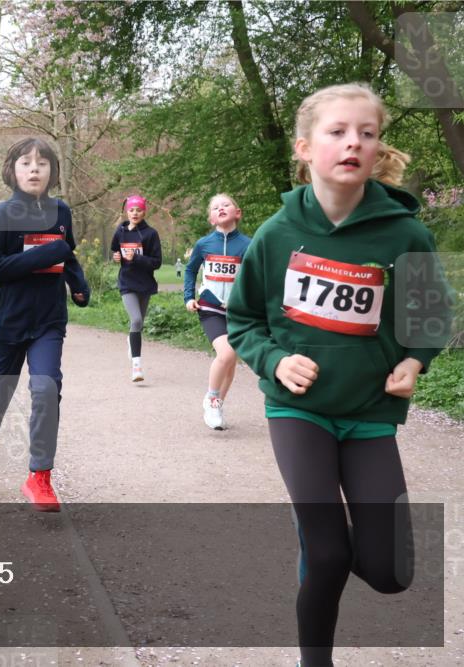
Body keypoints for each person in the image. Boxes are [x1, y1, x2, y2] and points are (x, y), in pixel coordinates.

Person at [227, 83, 451, 667]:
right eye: (337, 132)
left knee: (391, 571)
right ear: (304, 147)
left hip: (371, 414)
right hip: (298, 410)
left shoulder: (404, 234)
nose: (353, 142)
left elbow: (430, 316)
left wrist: (413, 359)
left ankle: (332, 551)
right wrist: (275, 360)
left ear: (378, 149)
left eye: (367, 133)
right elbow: (244, 319)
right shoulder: (276, 235)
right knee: (326, 556)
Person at [0, 137, 90, 511]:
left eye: (42, 163)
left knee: (47, 389)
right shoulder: (1, 215)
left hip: (48, 320)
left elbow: (66, 255)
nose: (34, 169)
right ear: (12, 170)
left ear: (52, 171)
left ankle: (40, 477)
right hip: (7, 321)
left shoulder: (61, 211)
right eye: (25, 163)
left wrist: (78, 284)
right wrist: (46, 254)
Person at [183, 193, 252, 429]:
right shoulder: (204, 244)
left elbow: (255, 278)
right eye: (215, 207)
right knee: (226, 354)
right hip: (210, 307)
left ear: (237, 213)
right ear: (211, 219)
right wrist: (189, 297)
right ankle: (211, 398)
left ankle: (218, 404)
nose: (221, 208)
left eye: (226, 205)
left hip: (238, 311)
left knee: (231, 362)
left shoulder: (248, 245)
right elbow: (191, 271)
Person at [110, 195, 162, 382]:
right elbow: (115, 251)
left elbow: (157, 263)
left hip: (145, 284)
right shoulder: (121, 231)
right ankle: (136, 367)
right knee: (137, 320)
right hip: (127, 282)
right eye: (132, 210)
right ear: (127, 211)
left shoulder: (151, 234)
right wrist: (117, 258)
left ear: (144, 212)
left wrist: (137, 258)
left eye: (138, 210)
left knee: (137, 326)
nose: (135, 213)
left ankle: (131, 339)